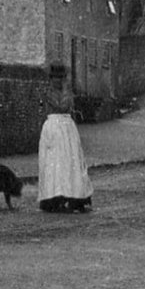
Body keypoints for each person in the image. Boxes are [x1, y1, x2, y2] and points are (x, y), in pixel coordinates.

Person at [37, 77, 94, 214]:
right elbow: (63, 106)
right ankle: (63, 198)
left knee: (60, 163)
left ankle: (60, 198)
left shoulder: (48, 92)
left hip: (59, 127)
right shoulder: (65, 92)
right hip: (62, 127)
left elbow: (53, 107)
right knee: (63, 163)